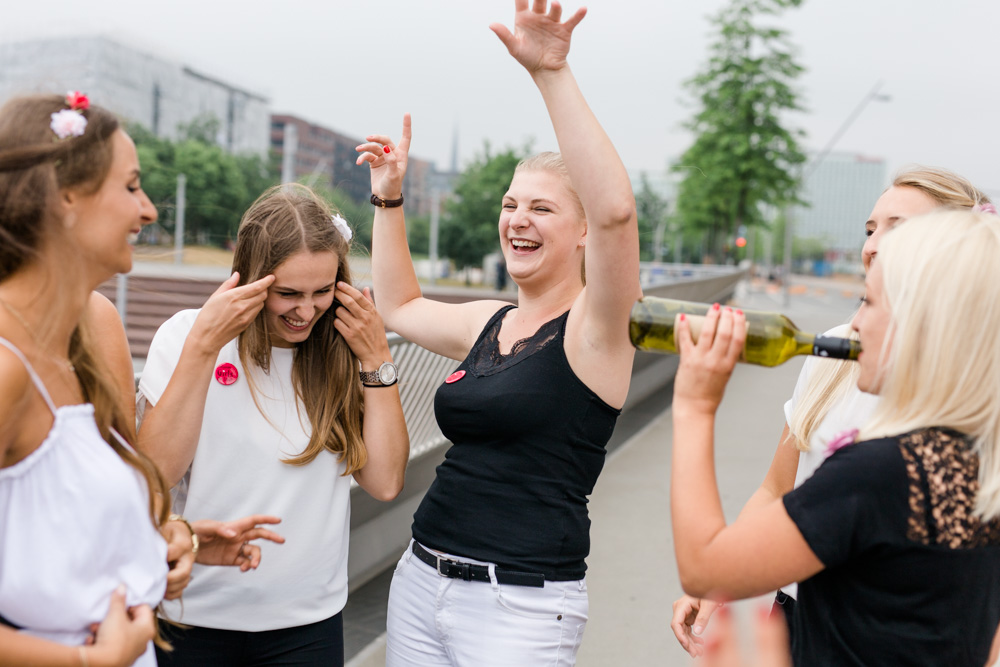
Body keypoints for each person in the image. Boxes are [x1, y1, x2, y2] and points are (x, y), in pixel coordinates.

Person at [355, 1, 640, 664]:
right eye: (511, 204)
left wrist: (551, 74)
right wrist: (389, 196)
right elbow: (397, 304)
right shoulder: (491, 321)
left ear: (581, 233)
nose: (518, 219)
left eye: (542, 207)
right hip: (422, 581)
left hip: (522, 608)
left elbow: (619, 213)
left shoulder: (597, 330)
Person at [671, 166, 995, 656]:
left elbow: (704, 564)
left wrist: (695, 405)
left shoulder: (879, 469)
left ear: (928, 315)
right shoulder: (958, 462)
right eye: (870, 230)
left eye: (869, 303)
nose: (854, 322)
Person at [0, 93, 272, 667]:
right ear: (64, 198)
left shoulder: (96, 326)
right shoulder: (6, 365)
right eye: (130, 187)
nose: (148, 210)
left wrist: (169, 539)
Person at [136, 183, 410, 666]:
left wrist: (376, 358)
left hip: (307, 625)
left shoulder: (346, 351)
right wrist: (204, 345)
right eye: (287, 294)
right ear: (250, 277)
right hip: (192, 616)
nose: (306, 311)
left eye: (322, 291)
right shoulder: (186, 334)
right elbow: (156, 473)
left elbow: (386, 481)